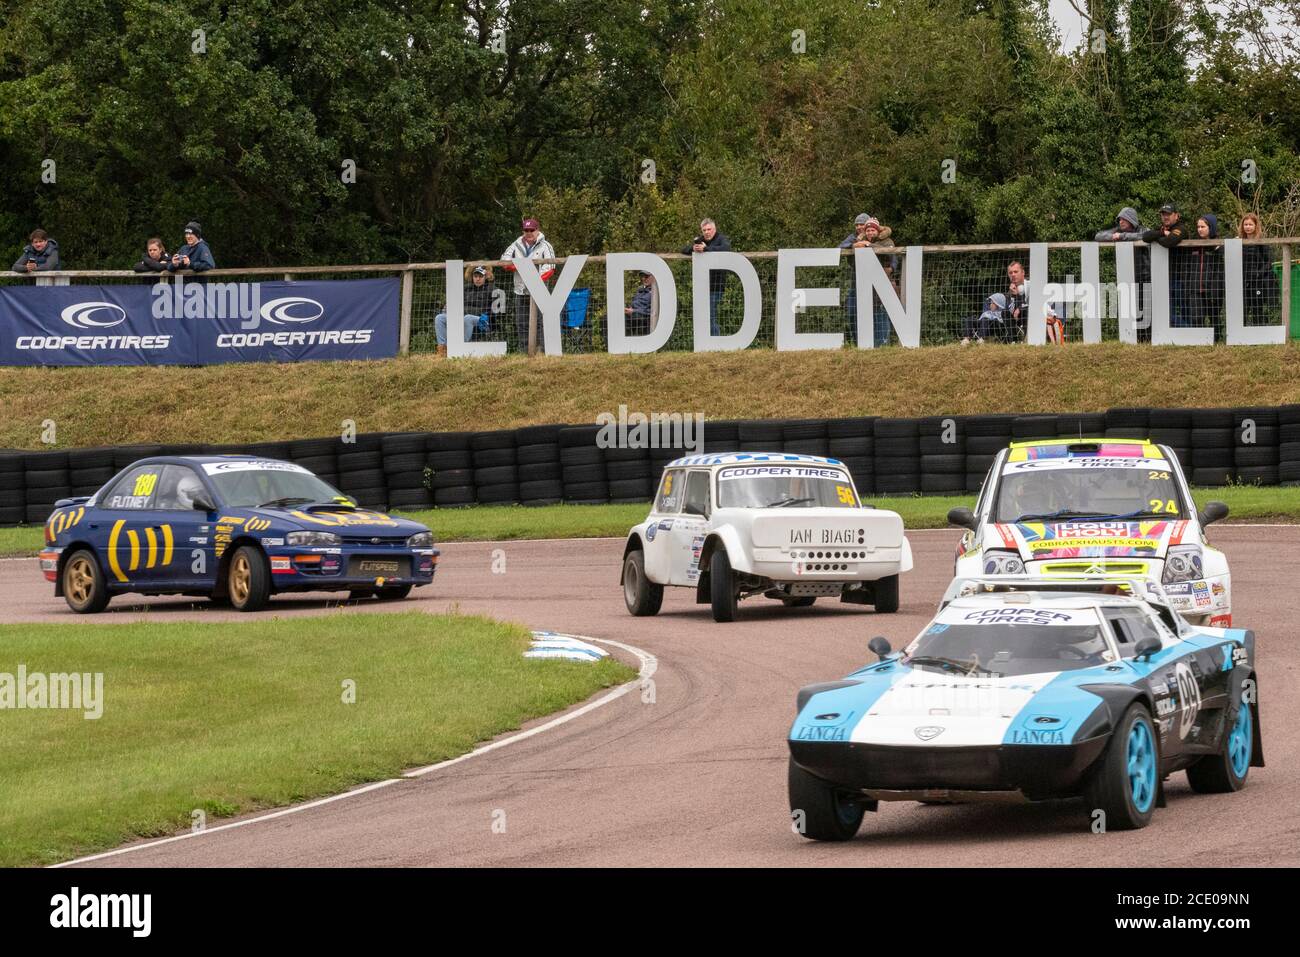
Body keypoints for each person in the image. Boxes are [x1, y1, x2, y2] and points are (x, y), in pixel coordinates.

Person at [500, 217, 556, 352]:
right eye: (526, 230)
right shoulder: (516, 244)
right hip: (520, 290)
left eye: (532, 230)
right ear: (523, 231)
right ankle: (525, 352)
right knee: (522, 323)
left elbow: (550, 267)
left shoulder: (546, 245)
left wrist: (534, 282)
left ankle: (544, 351)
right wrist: (521, 267)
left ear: (538, 230)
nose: (529, 232)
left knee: (542, 322)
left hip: (539, 290)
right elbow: (504, 261)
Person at [1094, 206, 1150, 339]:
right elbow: (1099, 236)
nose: (1121, 222)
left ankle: (1148, 339)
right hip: (1127, 279)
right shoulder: (1117, 230)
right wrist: (1117, 236)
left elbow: (1146, 236)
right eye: (1119, 219)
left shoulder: (1143, 229)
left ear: (1132, 220)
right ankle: (1133, 339)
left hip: (1145, 277)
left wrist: (1122, 236)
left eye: (1124, 219)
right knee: (1130, 311)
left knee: (1146, 311)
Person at [681, 218, 731, 335]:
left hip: (716, 286)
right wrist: (693, 249)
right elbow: (683, 249)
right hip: (702, 286)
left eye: (709, 229)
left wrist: (706, 249)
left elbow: (726, 248)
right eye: (704, 230)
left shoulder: (721, 239)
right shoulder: (701, 240)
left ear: (714, 229)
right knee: (703, 316)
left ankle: (715, 342)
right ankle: (708, 342)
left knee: (710, 316)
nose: (707, 232)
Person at [434, 264, 496, 356]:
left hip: (482, 321)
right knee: (440, 318)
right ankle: (443, 349)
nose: (477, 279)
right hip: (461, 318)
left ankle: (460, 349)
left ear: (486, 277)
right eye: (475, 276)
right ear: (472, 277)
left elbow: (494, 312)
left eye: (480, 276)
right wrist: (447, 309)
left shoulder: (492, 290)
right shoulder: (465, 289)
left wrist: (488, 316)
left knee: (468, 318)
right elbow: (454, 304)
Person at [1142, 204, 1187, 325]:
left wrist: (1158, 236)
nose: (1165, 217)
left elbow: (1169, 241)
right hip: (1163, 278)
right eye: (1163, 214)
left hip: (1181, 279)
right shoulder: (1161, 229)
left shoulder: (1181, 228)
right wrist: (1162, 233)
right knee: (1167, 312)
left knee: (1186, 311)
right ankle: (1175, 334)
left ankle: (1188, 333)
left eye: (1168, 214)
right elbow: (1146, 236)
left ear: (1176, 216)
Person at [1184, 214, 1224, 334]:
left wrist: (1217, 248)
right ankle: (1199, 342)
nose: (1199, 229)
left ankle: (1216, 341)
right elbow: (1187, 267)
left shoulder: (1220, 244)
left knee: (1214, 318)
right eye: (1198, 227)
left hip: (1213, 288)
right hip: (1195, 288)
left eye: (1203, 226)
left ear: (1211, 227)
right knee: (1196, 318)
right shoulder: (1192, 245)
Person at [1239, 213, 1279, 326]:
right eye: (1245, 224)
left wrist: (1258, 274)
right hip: (1243, 283)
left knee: (1257, 309)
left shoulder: (1262, 242)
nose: (1247, 227)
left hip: (1258, 283)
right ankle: (1242, 335)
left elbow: (1269, 262)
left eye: (1250, 224)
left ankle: (1258, 335)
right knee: (1243, 309)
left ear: (1256, 226)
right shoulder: (1238, 242)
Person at [625, 270, 655, 336]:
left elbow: (651, 311)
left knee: (623, 319)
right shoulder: (640, 290)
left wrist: (634, 311)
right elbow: (634, 303)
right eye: (642, 276)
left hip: (643, 318)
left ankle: (627, 343)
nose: (643, 278)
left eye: (646, 276)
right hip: (634, 315)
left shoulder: (655, 292)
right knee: (606, 318)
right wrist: (629, 308)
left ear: (654, 277)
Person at [1004, 261, 1029, 339]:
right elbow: (1009, 308)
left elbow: (1033, 304)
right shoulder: (1010, 291)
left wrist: (1020, 307)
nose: (1013, 275)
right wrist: (1013, 295)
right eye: (1010, 273)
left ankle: (1027, 338)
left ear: (1023, 273)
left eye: (1015, 272)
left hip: (1030, 315)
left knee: (1026, 310)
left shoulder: (1030, 285)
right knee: (1004, 313)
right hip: (1016, 318)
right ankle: (1013, 340)